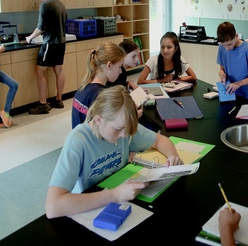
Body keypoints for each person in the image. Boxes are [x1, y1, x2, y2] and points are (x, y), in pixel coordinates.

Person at [45, 85, 183, 218]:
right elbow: (53, 206)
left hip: (119, 199)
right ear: (99, 120)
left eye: (127, 129)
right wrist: (115, 195)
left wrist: (173, 156)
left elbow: (159, 140)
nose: (124, 135)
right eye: (118, 129)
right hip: (88, 206)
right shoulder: (78, 141)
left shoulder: (122, 126)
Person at [26, 0, 67, 114]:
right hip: (61, 42)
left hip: (50, 43)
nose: (40, 0)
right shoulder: (61, 4)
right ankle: (58, 99)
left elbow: (40, 28)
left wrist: (30, 38)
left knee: (40, 71)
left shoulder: (45, 5)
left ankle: (43, 103)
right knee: (58, 70)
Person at [71, 41, 125, 129]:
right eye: (119, 66)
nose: (121, 71)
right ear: (109, 65)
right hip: (91, 141)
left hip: (80, 139)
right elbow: (107, 129)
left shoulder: (83, 87)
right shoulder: (100, 95)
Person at [216, 21, 248, 102]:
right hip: (228, 94)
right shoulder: (221, 47)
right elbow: (221, 69)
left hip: (245, 96)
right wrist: (222, 75)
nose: (227, 48)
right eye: (224, 45)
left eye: (230, 44)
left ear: (236, 36)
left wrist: (239, 83)